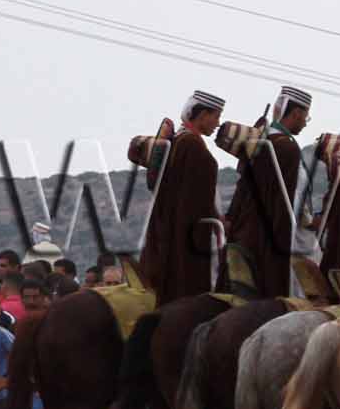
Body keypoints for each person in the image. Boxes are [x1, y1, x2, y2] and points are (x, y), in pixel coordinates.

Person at [131, 90, 227, 302]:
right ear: (202, 116)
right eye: (216, 116)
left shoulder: (179, 141)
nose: (218, 123)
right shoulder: (191, 144)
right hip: (188, 239)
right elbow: (196, 201)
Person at [222, 84, 310, 297]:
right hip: (272, 237)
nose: (305, 124)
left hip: (245, 231)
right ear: (296, 113)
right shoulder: (287, 147)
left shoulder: (261, 142)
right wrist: (308, 220)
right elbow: (293, 199)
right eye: (306, 118)